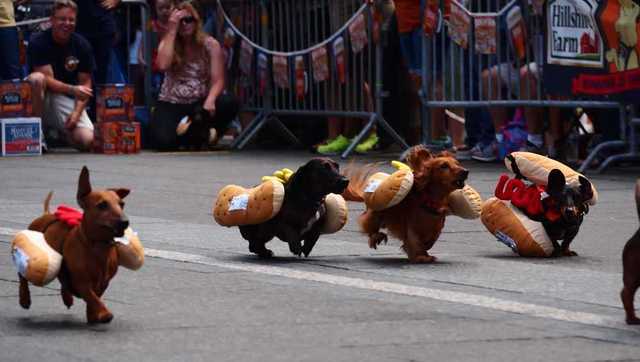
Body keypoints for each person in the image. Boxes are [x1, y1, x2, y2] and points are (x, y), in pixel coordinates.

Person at [151, 1, 238, 150]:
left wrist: (210, 100)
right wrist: (172, 29)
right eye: (181, 21)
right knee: (163, 142)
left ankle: (202, 134)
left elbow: (218, 80)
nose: (184, 24)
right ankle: (194, 137)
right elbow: (162, 65)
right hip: (171, 101)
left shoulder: (210, 44)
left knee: (228, 102)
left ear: (197, 21)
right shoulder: (169, 40)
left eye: (189, 20)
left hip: (198, 102)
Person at [26, 0, 95, 151]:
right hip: (42, 97)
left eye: (71, 20)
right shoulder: (38, 41)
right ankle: (36, 134)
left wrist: (77, 113)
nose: (67, 23)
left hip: (66, 99)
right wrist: (72, 89)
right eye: (62, 19)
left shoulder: (82, 45)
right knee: (36, 79)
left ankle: (61, 135)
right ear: (52, 20)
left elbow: (86, 84)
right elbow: (47, 80)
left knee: (87, 141)